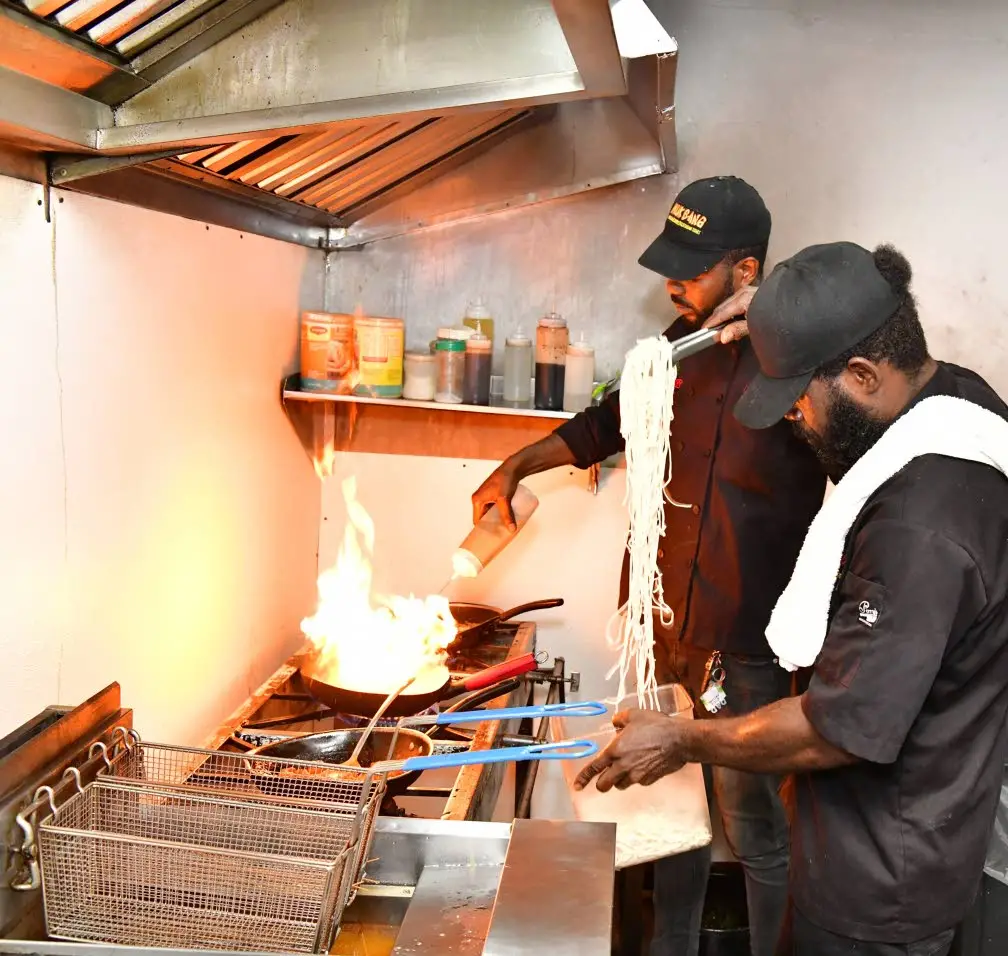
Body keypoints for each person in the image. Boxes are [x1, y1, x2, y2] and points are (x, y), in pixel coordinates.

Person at [574, 241, 1008, 956]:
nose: (793, 417)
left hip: (877, 886)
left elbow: (838, 727)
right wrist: (778, 307)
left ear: (864, 374)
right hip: (904, 845)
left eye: (800, 397)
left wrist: (682, 739)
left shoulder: (917, 527)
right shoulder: (953, 397)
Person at [471, 176, 826, 956]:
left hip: (751, 637)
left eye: (693, 267)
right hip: (663, 625)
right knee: (667, 812)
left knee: (755, 823)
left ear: (746, 270)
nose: (673, 281)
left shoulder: (804, 363)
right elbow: (606, 425)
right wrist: (519, 463)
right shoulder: (670, 353)